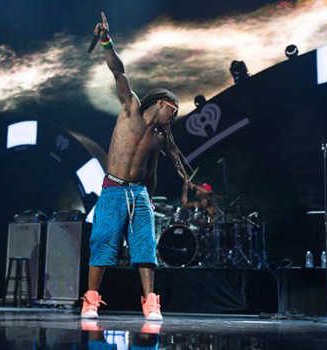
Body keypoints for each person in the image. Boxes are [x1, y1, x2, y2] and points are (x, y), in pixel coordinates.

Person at [81, 12, 191, 321]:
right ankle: (90, 301)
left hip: (139, 195)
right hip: (113, 189)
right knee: (102, 244)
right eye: (174, 110)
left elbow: (152, 173)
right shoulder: (130, 108)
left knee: (145, 248)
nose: (175, 115)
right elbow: (118, 70)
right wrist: (106, 41)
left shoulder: (158, 139)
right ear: (161, 103)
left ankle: (151, 302)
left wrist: (149, 202)